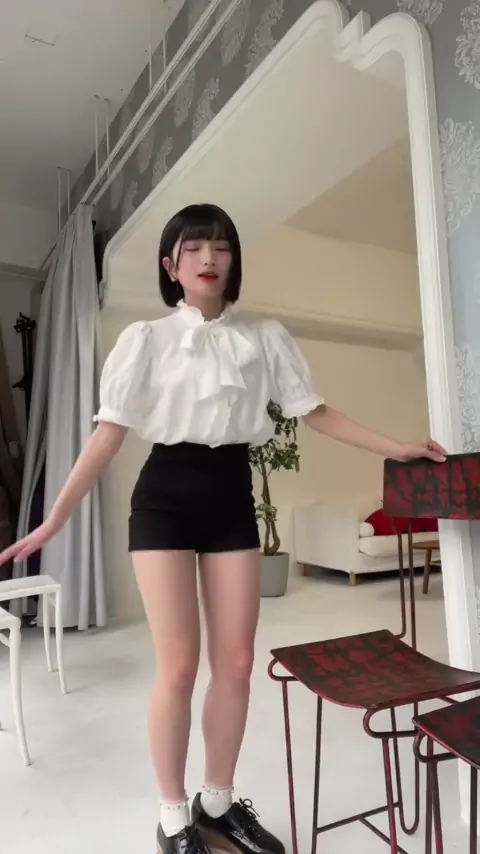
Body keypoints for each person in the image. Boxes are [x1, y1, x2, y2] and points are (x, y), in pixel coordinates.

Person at [0, 203, 446, 854]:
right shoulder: (146, 340)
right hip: (164, 499)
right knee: (179, 666)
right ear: (170, 265)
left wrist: (396, 446)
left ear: (234, 260)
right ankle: (173, 817)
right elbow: (107, 436)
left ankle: (217, 802)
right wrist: (52, 520)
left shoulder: (264, 337)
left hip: (231, 495)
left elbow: (316, 413)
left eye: (221, 247)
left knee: (235, 664)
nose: (208, 258)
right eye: (192, 248)